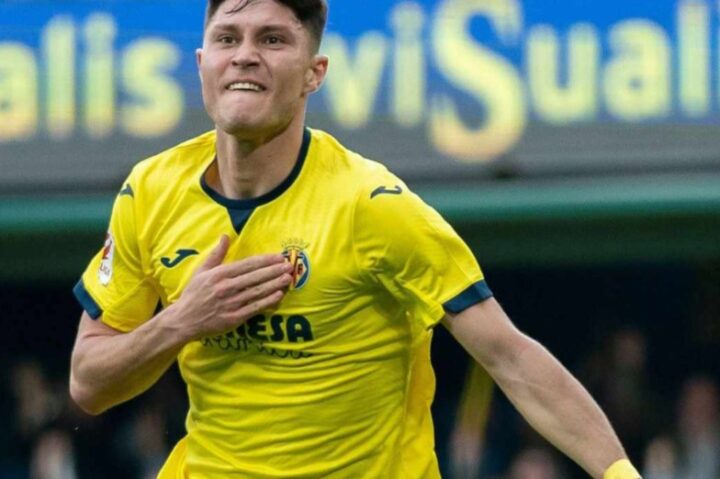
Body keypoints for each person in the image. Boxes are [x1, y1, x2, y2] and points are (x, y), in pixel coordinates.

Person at [69, 0, 642, 477]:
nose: (244, 54)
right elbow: (88, 383)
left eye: (272, 39)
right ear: (202, 63)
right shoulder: (151, 191)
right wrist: (181, 321)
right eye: (227, 38)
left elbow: (510, 357)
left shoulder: (373, 207)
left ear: (314, 73)